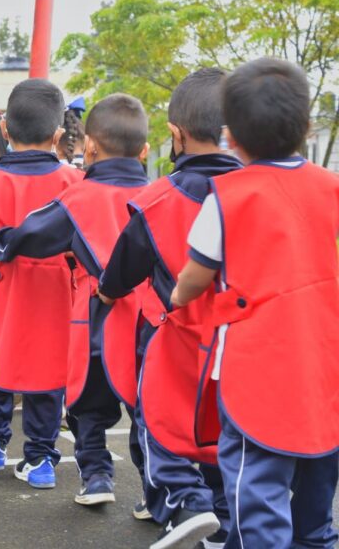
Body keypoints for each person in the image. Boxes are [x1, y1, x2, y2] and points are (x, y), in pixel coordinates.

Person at [170, 58, 339, 549]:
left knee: (256, 480)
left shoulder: (226, 197)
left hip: (256, 363)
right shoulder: (332, 189)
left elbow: (195, 277)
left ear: (231, 136)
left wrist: (178, 296)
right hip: (325, 357)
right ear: (306, 128)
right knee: (319, 472)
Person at [97, 69, 240, 547]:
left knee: (161, 424)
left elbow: (122, 270)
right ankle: (220, 516)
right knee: (229, 431)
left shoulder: (156, 199)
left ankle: (186, 502)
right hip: (242, 340)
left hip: (173, 335)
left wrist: (106, 292)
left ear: (175, 135)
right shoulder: (258, 192)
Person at [0, 93, 150, 504]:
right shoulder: (160, 194)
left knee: (88, 404)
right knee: (148, 409)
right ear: (146, 150)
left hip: (94, 313)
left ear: (90, 146)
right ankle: (156, 493)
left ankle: (97, 478)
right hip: (150, 318)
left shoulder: (79, 197)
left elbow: (32, 234)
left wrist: (1, 244)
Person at [0, 78, 81, 490]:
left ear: (5, 130)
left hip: (1, 287)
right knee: (49, 374)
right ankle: (41, 459)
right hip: (57, 292)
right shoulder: (74, 183)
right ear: (59, 134)